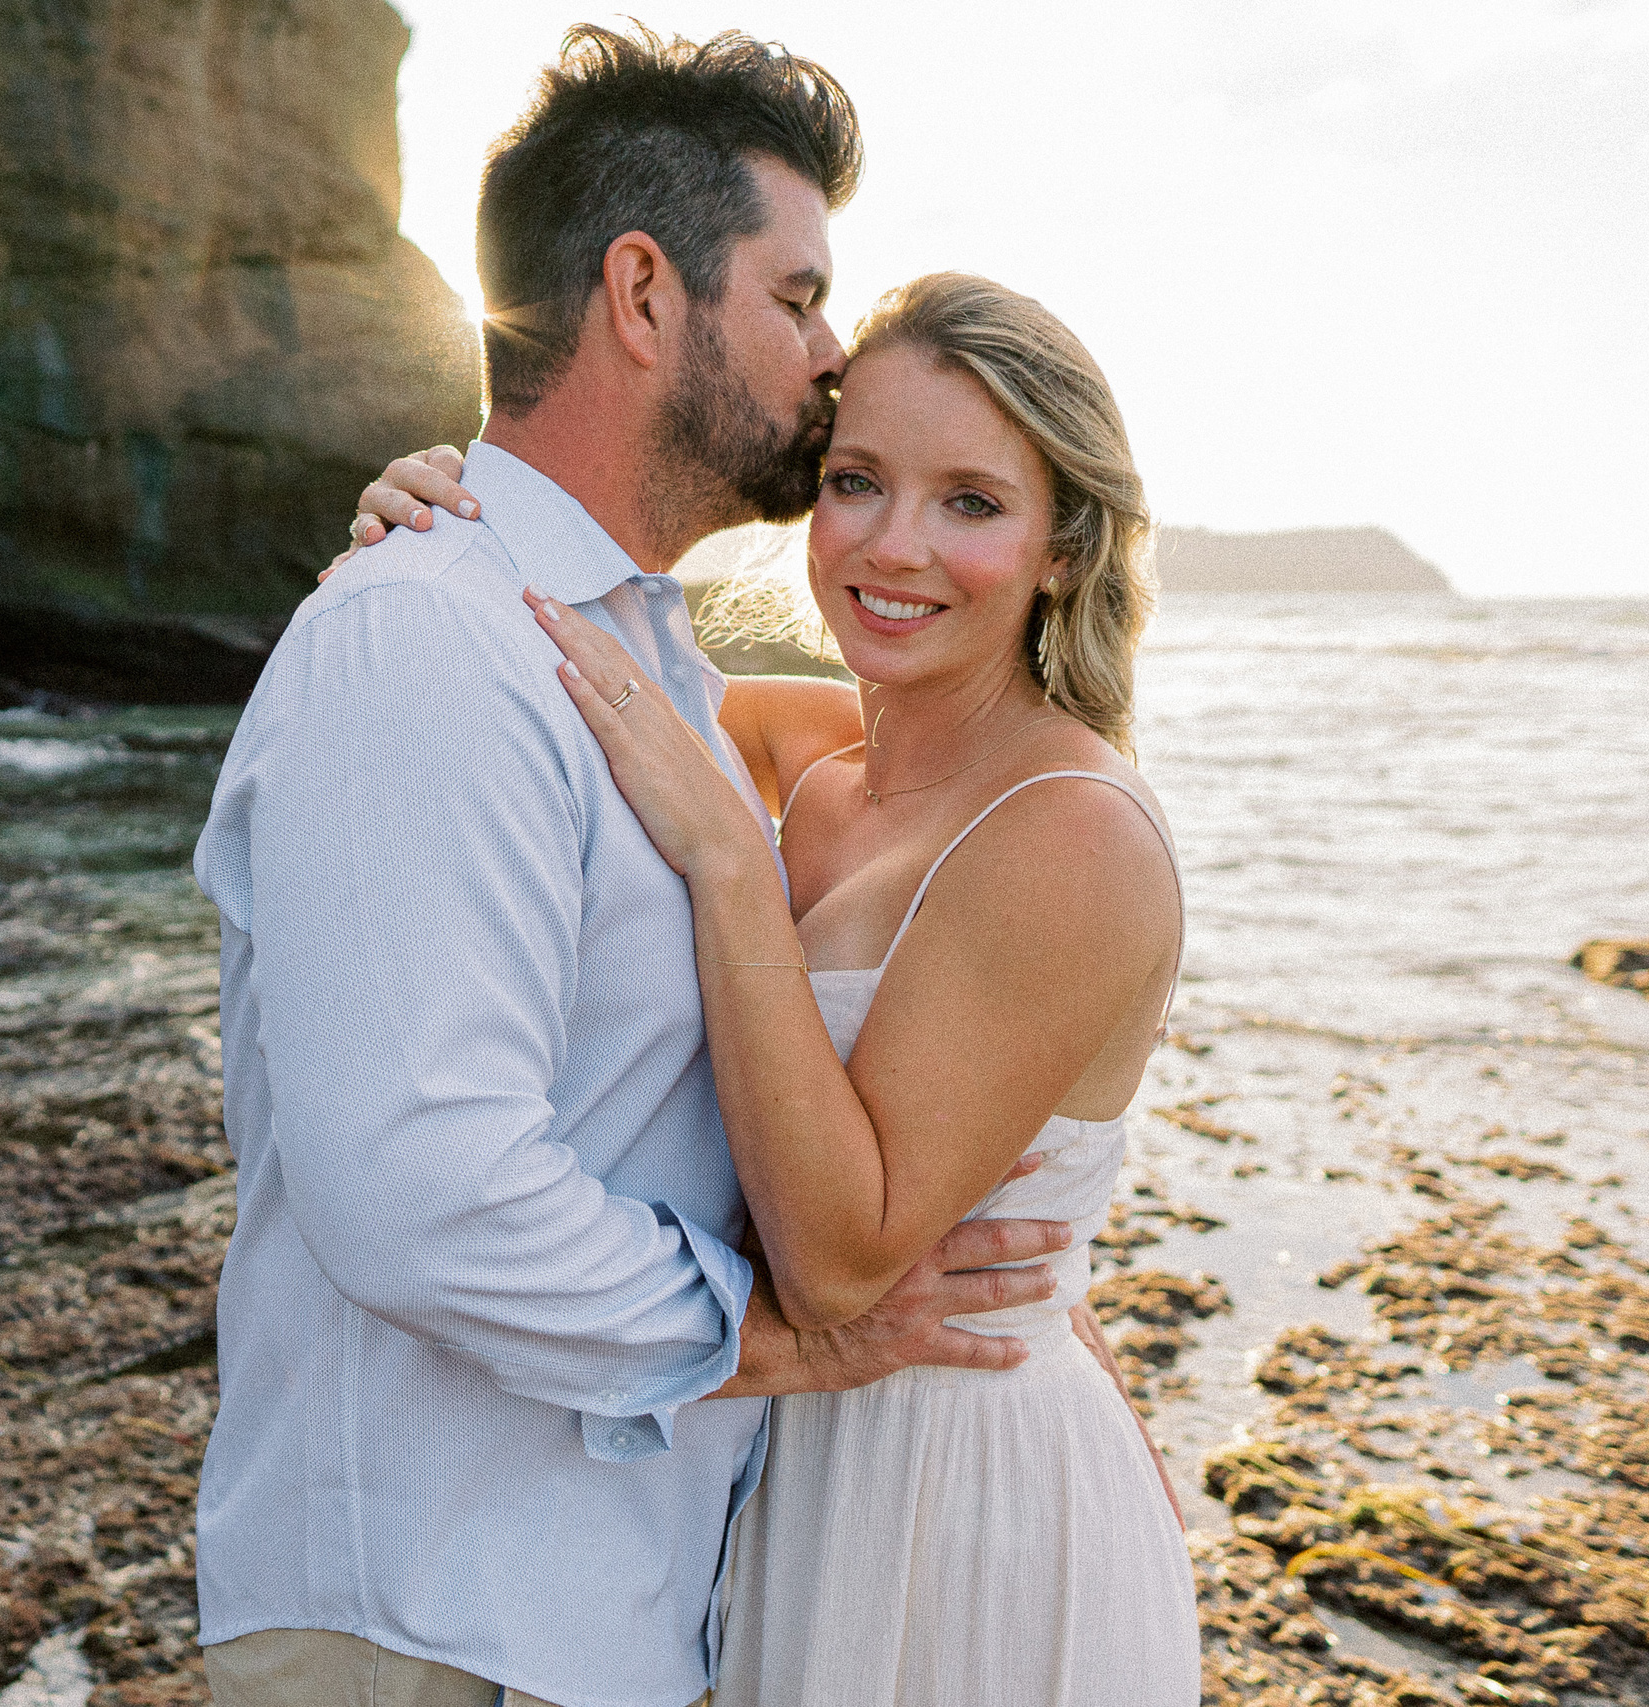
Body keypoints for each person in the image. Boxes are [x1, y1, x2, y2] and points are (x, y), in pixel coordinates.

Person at [189, 28, 1079, 1707]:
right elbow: (421, 1191)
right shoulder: (424, 645)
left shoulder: (628, 659)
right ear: (647, 297)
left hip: (592, 1615)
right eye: (799, 297)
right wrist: (784, 1337)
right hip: (431, 1624)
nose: (830, 360)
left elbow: (970, 780)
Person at [347, 272, 1200, 1702]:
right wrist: (422, 526)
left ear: (1064, 547)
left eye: (972, 503)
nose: (894, 545)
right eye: (858, 481)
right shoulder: (788, 750)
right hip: (772, 1465)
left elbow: (839, 1259)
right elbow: (525, 660)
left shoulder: (1074, 834)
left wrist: (732, 878)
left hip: (968, 1497)